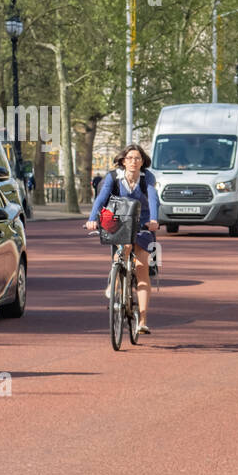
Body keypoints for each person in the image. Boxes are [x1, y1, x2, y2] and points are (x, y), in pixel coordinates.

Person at [85, 143, 160, 336]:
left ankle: (142, 321)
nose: (133, 161)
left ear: (143, 162)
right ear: (123, 161)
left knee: (142, 268)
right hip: (118, 220)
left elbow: (153, 198)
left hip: (143, 223)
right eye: (129, 158)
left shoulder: (146, 178)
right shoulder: (114, 177)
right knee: (125, 245)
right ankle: (114, 284)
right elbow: (102, 198)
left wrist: (154, 220)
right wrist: (92, 219)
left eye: (137, 158)